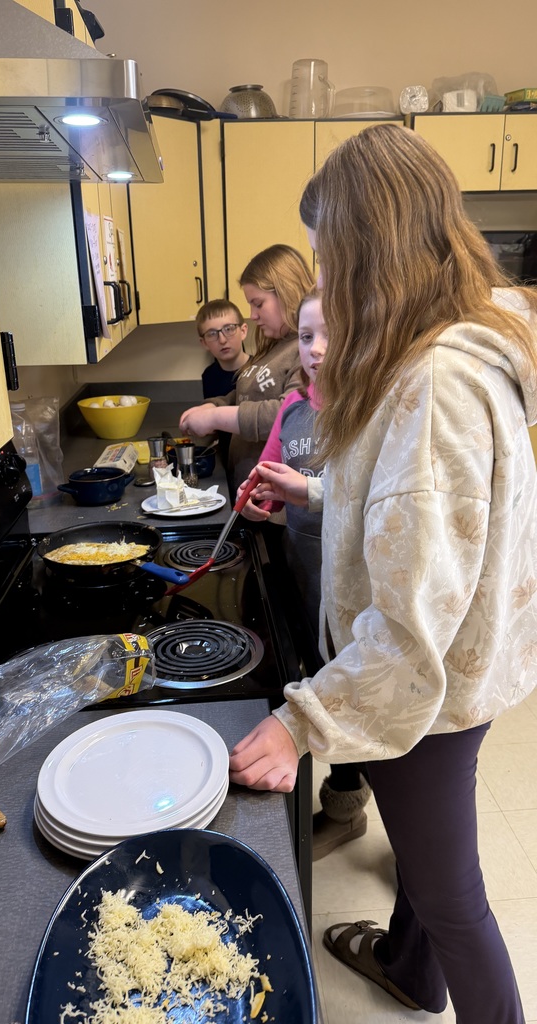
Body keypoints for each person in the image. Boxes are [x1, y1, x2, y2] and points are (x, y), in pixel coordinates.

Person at [229, 123, 537, 1022]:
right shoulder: (444, 347)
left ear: (371, 245)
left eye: (330, 251)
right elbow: (433, 524)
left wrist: (300, 722)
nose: (324, 275)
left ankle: (454, 981)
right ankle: (411, 969)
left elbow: (409, 627)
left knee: (454, 900)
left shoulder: (435, 379)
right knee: (429, 855)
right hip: (457, 678)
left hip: (428, 690)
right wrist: (318, 495)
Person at [240, 289, 371, 859]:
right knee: (319, 681)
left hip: (357, 595)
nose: (316, 349)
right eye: (305, 335)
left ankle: (348, 808)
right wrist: (257, 504)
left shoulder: (371, 409)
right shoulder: (293, 412)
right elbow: (270, 480)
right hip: (305, 582)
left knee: (355, 698)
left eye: (329, 333)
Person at [179, 244, 315, 495]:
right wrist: (215, 405)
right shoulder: (273, 346)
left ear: (286, 292)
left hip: (275, 505)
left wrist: (215, 418)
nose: (252, 315)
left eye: (258, 303)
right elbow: (246, 395)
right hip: (248, 492)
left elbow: (289, 415)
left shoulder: (304, 350)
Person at [196, 298, 249, 400]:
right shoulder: (209, 376)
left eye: (228, 329)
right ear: (204, 343)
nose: (222, 340)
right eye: (212, 334)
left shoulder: (262, 370)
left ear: (243, 331)